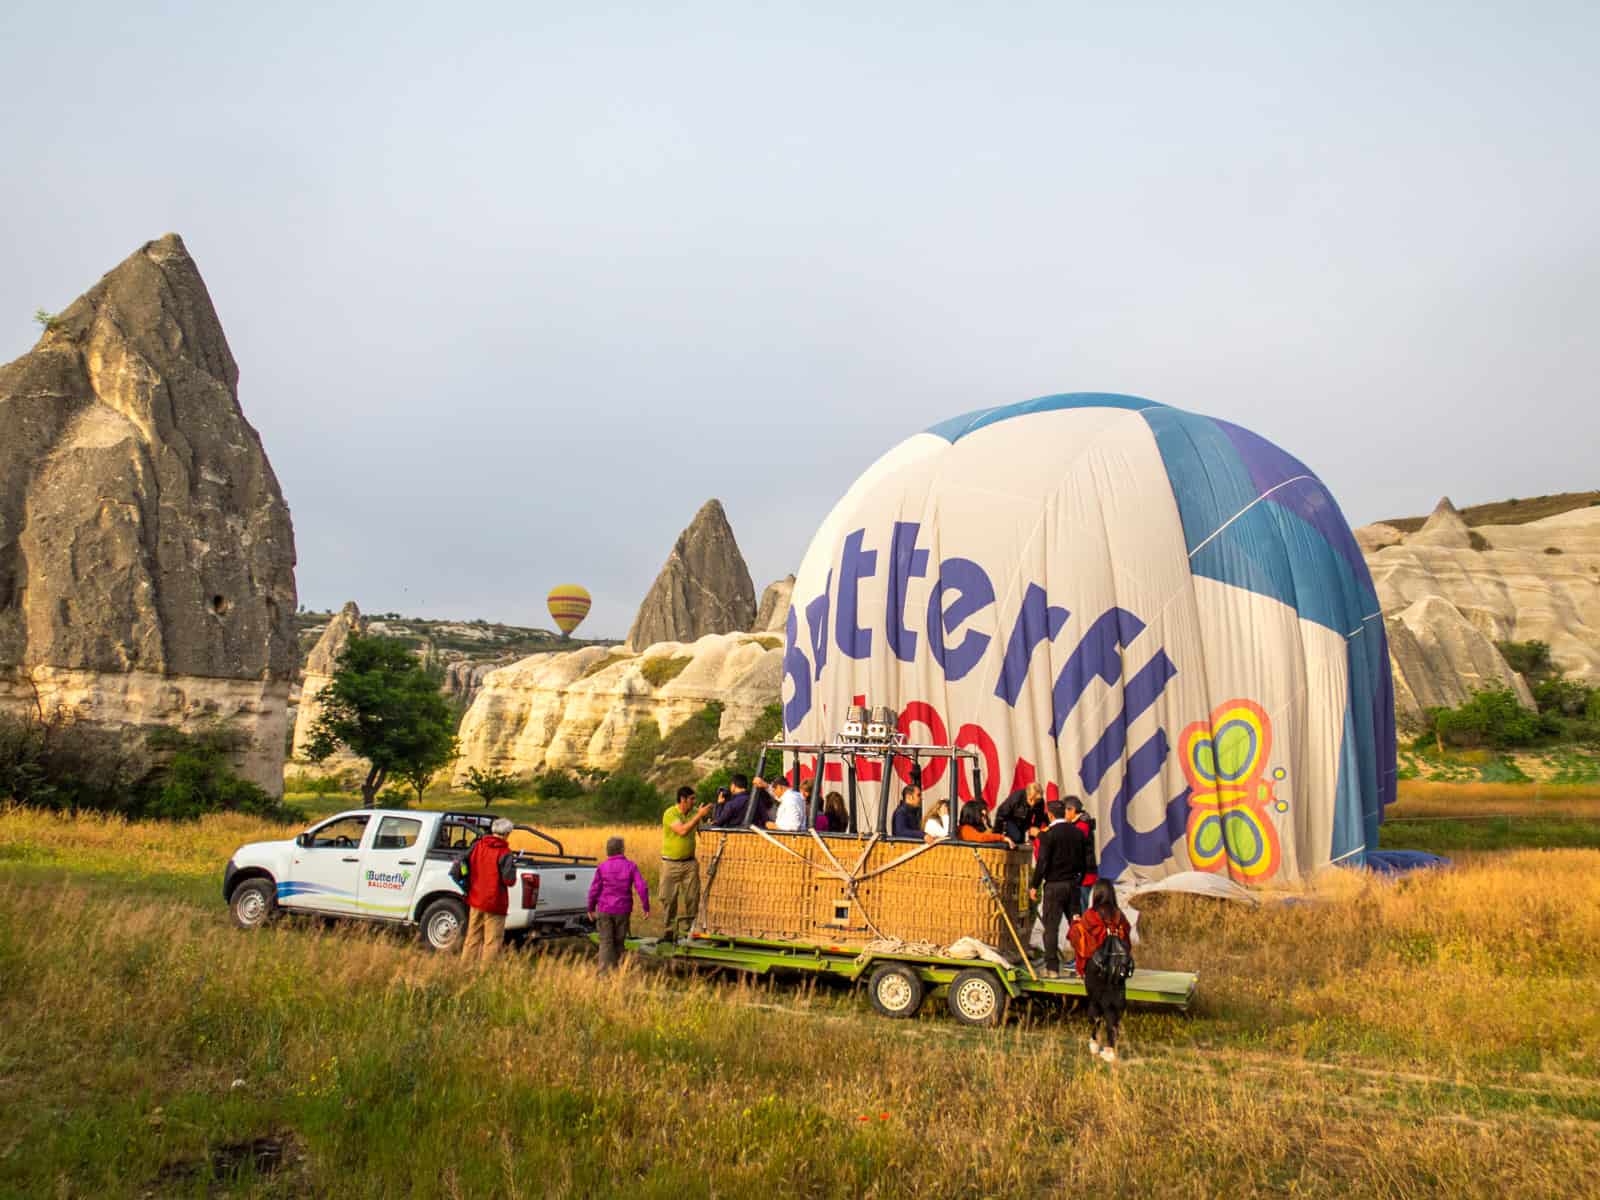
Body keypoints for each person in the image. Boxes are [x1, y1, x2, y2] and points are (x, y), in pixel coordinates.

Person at [1070, 880, 1134, 1063]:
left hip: (1095, 969)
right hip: (1115, 969)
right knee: (1112, 1007)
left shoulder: (1091, 916)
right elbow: (1126, 944)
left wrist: (1075, 923)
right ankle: (1110, 1048)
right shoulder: (1119, 917)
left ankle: (1094, 1039)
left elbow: (1081, 942)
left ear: (1096, 894)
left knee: (1095, 1003)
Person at [1028, 799, 1089, 977]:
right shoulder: (1078, 833)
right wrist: (1080, 879)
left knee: (1051, 928)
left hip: (1054, 886)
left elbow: (1042, 862)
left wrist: (1034, 885)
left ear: (1050, 815)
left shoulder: (1048, 835)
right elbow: (1085, 861)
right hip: (1073, 885)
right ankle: (1082, 966)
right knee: (1077, 926)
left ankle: (1052, 968)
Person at [587, 835, 650, 971]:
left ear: (608, 851)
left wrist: (591, 908)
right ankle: (618, 971)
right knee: (619, 941)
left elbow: (594, 889)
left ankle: (604, 973)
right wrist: (646, 907)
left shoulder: (602, 867)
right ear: (622, 850)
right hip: (623, 910)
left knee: (606, 941)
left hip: (604, 909)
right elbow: (642, 887)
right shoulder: (631, 866)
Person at [461, 817, 517, 963]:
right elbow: (509, 881)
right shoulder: (505, 853)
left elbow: (463, 861)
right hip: (495, 902)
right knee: (492, 941)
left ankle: (465, 967)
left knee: (472, 936)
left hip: (476, 898)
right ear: (506, 833)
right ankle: (486, 972)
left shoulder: (477, 845)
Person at [660, 785, 709, 942]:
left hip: (690, 863)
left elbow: (704, 832)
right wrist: (698, 816)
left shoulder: (694, 814)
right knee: (668, 898)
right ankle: (669, 932)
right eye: (692, 799)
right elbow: (682, 830)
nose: (694, 802)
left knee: (693, 898)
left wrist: (707, 817)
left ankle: (691, 930)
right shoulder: (670, 813)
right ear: (683, 799)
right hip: (670, 864)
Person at [1064, 796, 1099, 910]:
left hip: (1085, 874)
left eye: (1064, 810)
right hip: (1082, 873)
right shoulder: (1078, 824)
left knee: (1080, 908)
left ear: (1072, 810)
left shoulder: (1081, 826)